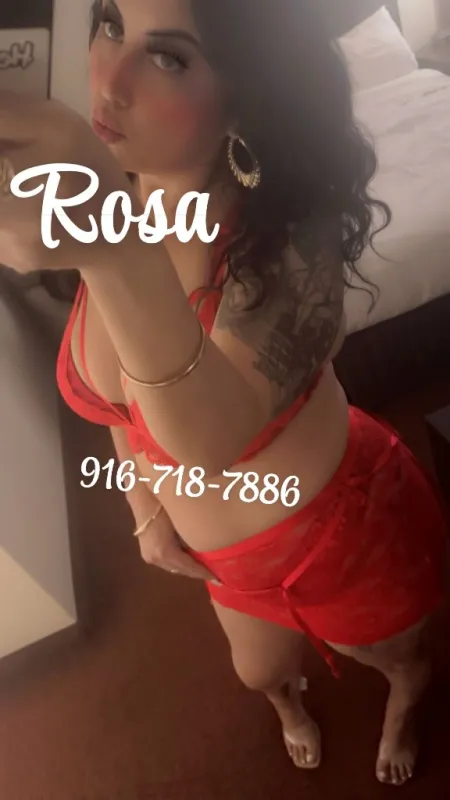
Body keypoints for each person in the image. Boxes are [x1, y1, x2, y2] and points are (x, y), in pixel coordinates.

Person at [0, 0, 447, 788]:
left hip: (335, 541)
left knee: (396, 658)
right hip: (225, 564)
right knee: (258, 673)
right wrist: (144, 506)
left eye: (169, 57)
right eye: (110, 23)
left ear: (247, 95)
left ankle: (403, 710)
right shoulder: (127, 196)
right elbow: (118, 404)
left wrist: (111, 250)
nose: (108, 81)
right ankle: (289, 708)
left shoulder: (292, 240)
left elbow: (208, 438)